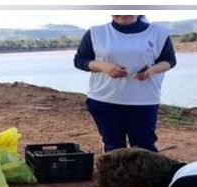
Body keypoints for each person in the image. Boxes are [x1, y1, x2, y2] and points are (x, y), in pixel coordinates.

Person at [73, 15, 177, 153]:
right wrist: (103, 66)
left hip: (144, 100)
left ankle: (146, 174)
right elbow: (80, 60)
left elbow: (169, 61)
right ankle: (115, 174)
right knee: (113, 147)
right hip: (105, 99)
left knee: (144, 146)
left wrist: (151, 71)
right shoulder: (95, 33)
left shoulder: (159, 32)